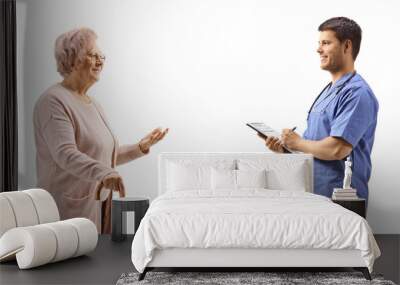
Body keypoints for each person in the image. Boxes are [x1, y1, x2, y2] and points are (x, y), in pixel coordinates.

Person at [33, 27, 168, 233]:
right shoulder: (53, 101)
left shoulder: (93, 104)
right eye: (92, 55)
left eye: (101, 56)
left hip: (97, 204)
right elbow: (65, 154)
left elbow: (103, 155)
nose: (100, 61)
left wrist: (140, 147)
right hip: (64, 210)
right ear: (73, 59)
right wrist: (105, 173)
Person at [261, 17, 378, 202]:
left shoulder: (357, 94)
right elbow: (313, 145)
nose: (318, 49)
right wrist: (287, 149)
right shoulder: (328, 91)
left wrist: (297, 143)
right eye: (319, 43)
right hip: (314, 195)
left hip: (340, 199)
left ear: (347, 46)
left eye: (326, 43)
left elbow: (337, 149)